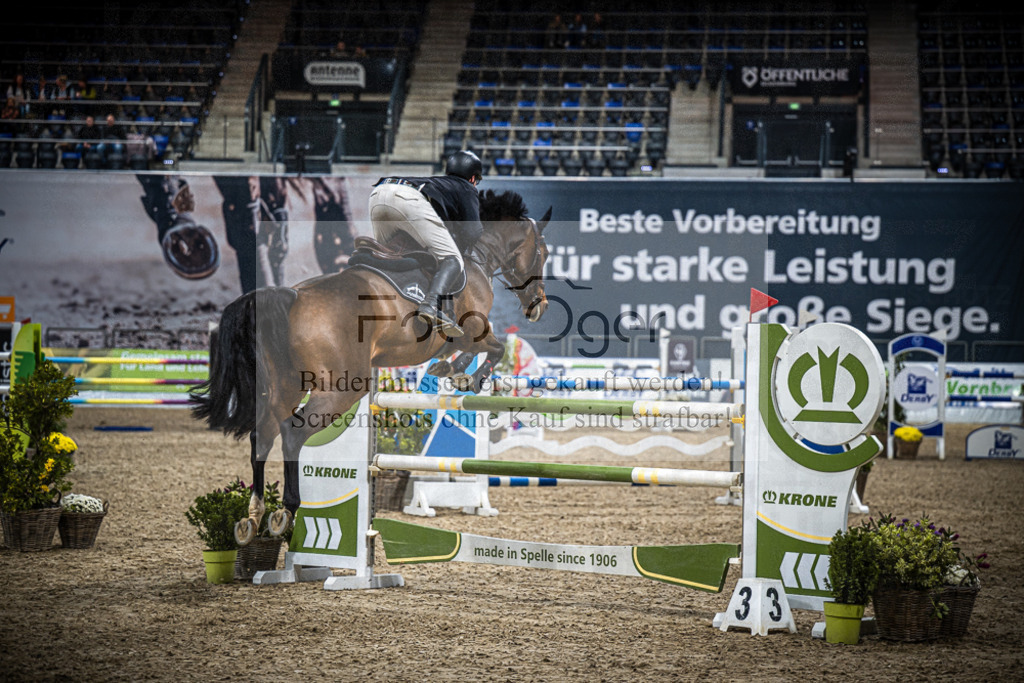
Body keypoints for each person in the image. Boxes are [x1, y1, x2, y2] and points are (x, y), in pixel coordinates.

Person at [367, 150, 484, 337]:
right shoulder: (466, 187)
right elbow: (473, 231)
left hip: (378, 193)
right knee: (453, 259)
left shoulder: (437, 183)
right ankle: (430, 304)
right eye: (476, 180)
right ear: (472, 178)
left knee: (388, 257)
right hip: (408, 199)